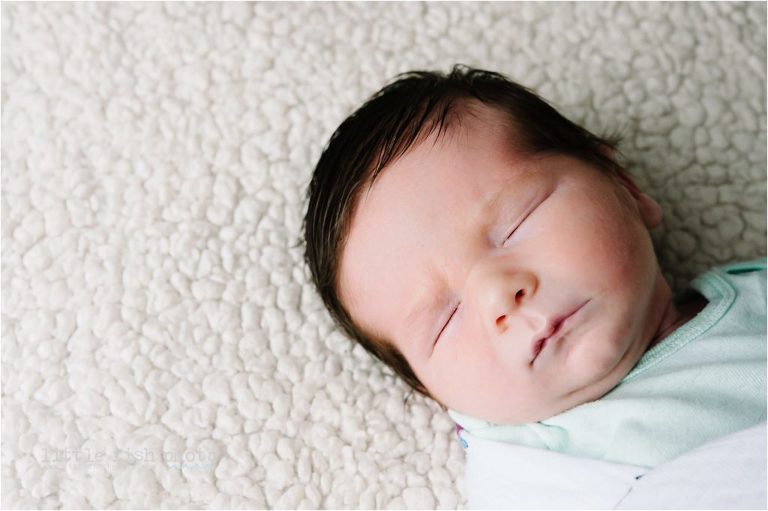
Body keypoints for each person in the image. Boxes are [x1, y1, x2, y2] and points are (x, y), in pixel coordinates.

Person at [302, 65, 766, 469]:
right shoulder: (525, 464)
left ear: (624, 186)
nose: (498, 295)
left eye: (515, 224)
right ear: (434, 392)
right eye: (444, 321)